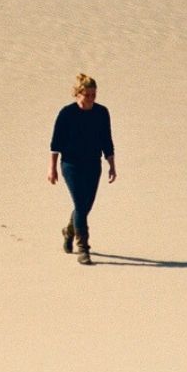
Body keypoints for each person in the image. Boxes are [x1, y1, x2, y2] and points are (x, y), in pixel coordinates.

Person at [47, 74, 117, 264]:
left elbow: (106, 140)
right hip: (71, 165)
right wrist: (52, 168)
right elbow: (56, 143)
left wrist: (112, 164)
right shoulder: (66, 113)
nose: (91, 99)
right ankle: (83, 248)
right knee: (79, 203)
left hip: (93, 164)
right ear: (77, 94)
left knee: (85, 206)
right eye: (87, 95)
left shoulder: (102, 112)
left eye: (94, 95)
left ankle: (69, 230)